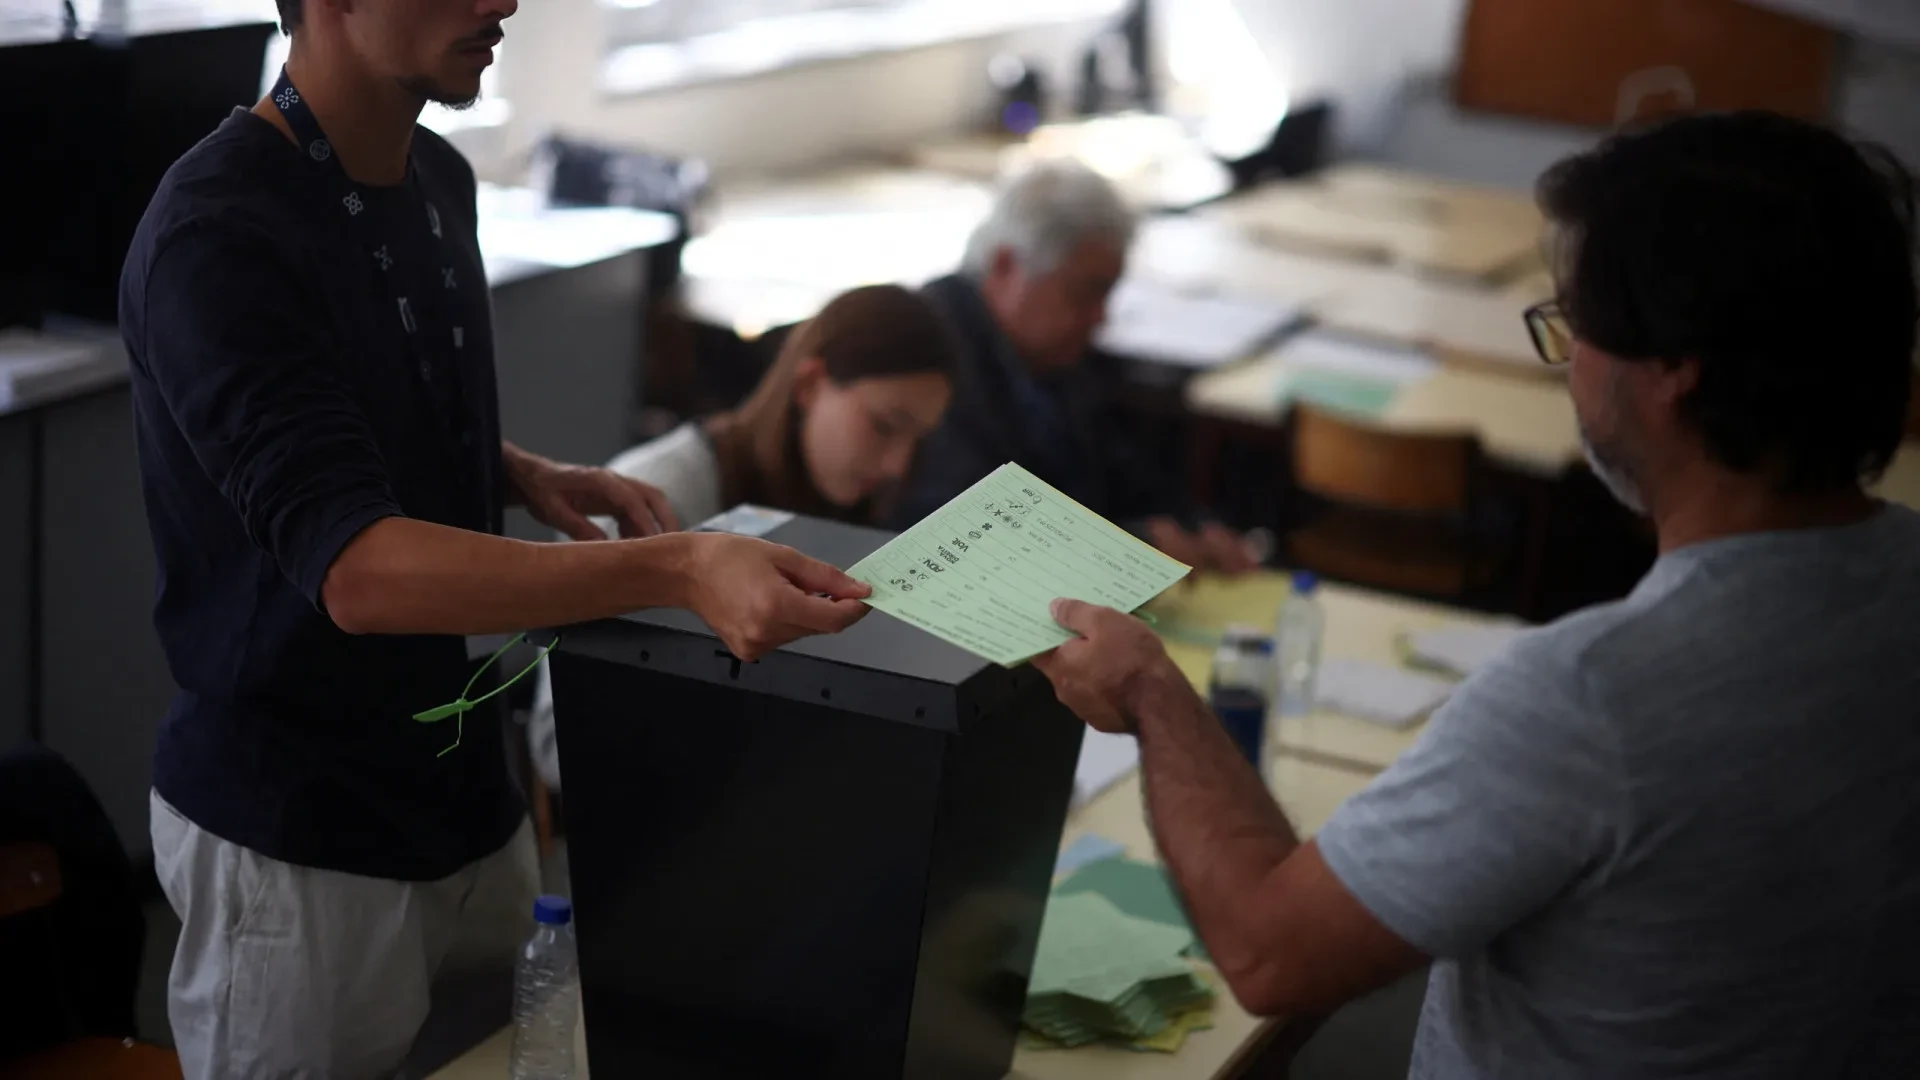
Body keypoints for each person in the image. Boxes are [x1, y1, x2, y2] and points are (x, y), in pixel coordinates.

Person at [1029, 112, 1920, 1077]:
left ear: (1673, 375)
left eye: (1573, 324)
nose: (1567, 360)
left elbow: (1267, 950)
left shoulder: (1592, 698)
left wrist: (1154, 695)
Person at [117, 0, 869, 1074]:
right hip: (301, 842)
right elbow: (361, 571)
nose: (504, 2)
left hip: (469, 797)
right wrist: (678, 564)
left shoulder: (434, 177)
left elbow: (340, 413)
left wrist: (512, 470)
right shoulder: (219, 231)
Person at [527, 283, 963, 790]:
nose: (897, 465)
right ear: (809, 385)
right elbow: (557, 745)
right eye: (886, 427)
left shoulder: (856, 504)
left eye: (917, 440)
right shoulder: (649, 500)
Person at [891, 161, 1259, 574]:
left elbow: (1120, 470)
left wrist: (1194, 525)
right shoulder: (927, 356)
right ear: (1006, 266)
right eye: (1085, 294)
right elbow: (968, 532)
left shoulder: (1048, 351)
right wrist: (1132, 546)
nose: (1100, 319)